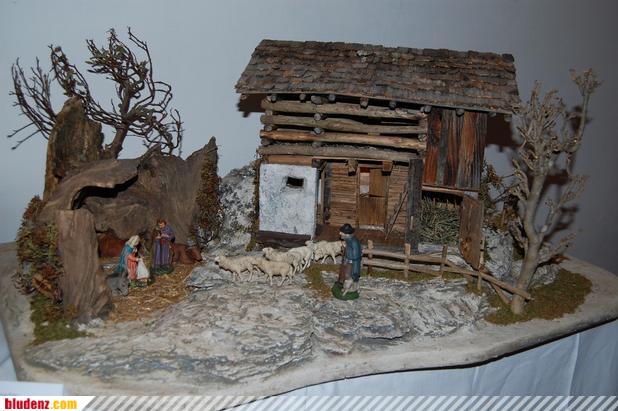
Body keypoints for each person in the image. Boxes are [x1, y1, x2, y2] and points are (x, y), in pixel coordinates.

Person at [335, 223, 362, 298]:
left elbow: (356, 257)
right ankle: (341, 284)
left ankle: (351, 288)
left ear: (346, 234)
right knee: (343, 274)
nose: (340, 233)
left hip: (351, 263)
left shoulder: (354, 242)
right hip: (347, 261)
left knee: (349, 277)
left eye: (342, 232)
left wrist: (355, 270)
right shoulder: (348, 240)